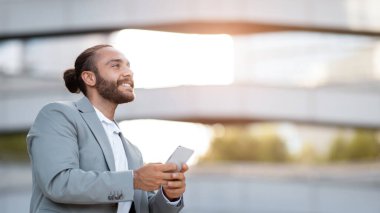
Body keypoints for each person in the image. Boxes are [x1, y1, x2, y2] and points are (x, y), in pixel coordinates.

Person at [26, 44, 188, 213]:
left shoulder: (133, 152)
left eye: (128, 66)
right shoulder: (59, 115)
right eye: (116, 65)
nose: (128, 72)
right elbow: (59, 183)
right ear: (90, 78)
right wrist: (135, 179)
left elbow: (143, 208)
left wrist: (169, 195)